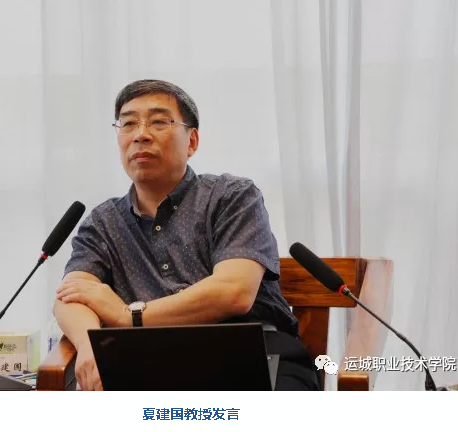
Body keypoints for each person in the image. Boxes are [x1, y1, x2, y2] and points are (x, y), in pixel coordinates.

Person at [53, 79, 321, 391]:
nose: (140, 135)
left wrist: (130, 317)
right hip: (150, 362)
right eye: (128, 124)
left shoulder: (231, 196)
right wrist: (89, 345)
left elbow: (233, 292)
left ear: (191, 141)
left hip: (254, 353)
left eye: (158, 122)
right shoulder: (103, 222)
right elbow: (69, 297)